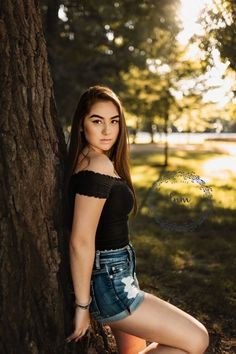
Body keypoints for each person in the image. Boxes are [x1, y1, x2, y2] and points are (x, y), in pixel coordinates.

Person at [64, 85, 209, 354]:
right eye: (97, 121)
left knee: (132, 351)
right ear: (82, 125)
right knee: (197, 339)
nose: (107, 130)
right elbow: (80, 240)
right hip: (109, 280)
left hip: (118, 273)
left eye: (114, 121)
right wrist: (82, 307)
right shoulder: (96, 165)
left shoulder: (89, 159)